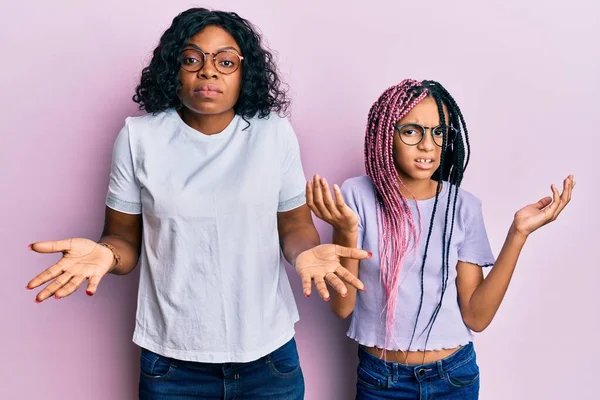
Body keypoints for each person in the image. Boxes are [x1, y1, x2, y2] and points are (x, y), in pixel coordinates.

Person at [25, 8, 369, 399]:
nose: (209, 72)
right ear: (174, 69)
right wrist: (105, 254)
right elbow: (122, 240)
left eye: (225, 61)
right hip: (172, 364)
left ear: (245, 72)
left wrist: (306, 253)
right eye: (192, 59)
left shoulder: (274, 133)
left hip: (268, 358)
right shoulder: (139, 138)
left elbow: (294, 226)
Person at [306, 79, 575, 399]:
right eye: (411, 131)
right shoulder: (355, 196)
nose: (427, 145)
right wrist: (348, 231)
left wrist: (518, 233)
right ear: (384, 136)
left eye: (438, 132)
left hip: (453, 377)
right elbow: (342, 307)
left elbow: (477, 316)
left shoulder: (464, 206)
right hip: (382, 380)